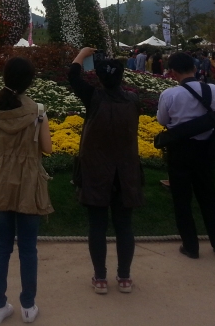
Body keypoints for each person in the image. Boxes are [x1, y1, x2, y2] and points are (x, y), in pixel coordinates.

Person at [0, 57, 53, 324]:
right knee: (28, 248)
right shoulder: (38, 111)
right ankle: (28, 307)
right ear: (30, 81)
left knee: (2, 246)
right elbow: (47, 148)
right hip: (28, 183)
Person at [68, 48, 142, 295]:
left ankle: (100, 277)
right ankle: (125, 277)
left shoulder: (93, 98)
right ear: (122, 77)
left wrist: (81, 54)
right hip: (126, 171)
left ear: (98, 77)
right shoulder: (133, 100)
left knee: (97, 226)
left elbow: (73, 76)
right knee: (124, 225)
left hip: (96, 170)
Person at [157, 52, 215, 259]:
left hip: (180, 150)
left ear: (172, 72)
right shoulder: (212, 90)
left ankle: (191, 246)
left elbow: (162, 120)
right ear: (195, 68)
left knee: (182, 199)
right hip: (206, 149)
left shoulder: (170, 94)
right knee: (209, 196)